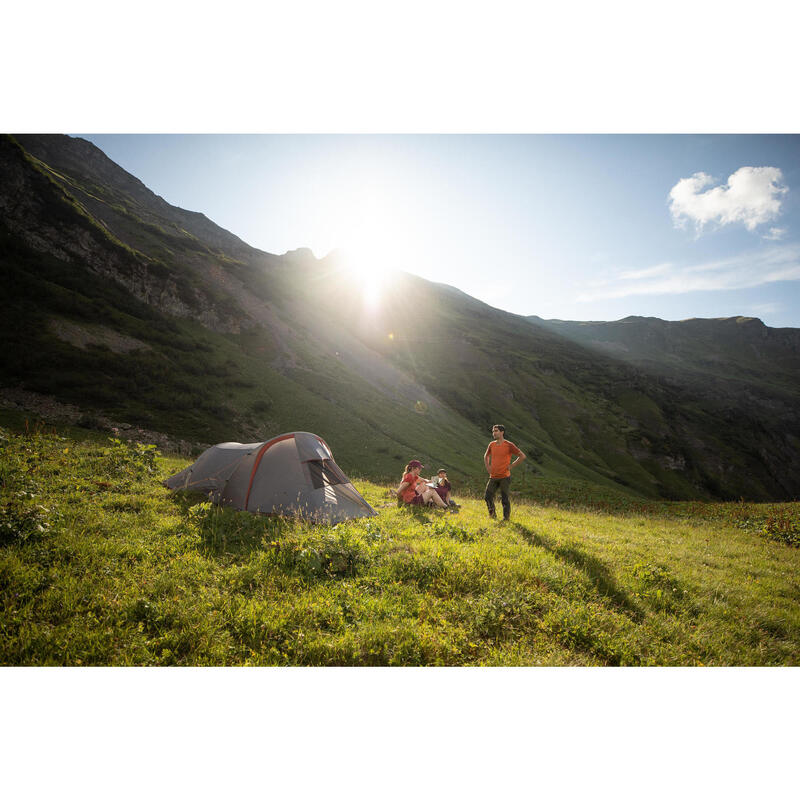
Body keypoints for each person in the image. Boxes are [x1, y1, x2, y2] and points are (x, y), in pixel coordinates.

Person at [484, 424, 526, 521]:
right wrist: (488, 467)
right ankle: (492, 516)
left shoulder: (509, 445)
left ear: (502, 432)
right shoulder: (491, 444)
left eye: (496, 431)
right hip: (493, 476)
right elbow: (486, 456)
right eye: (493, 431)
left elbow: (522, 456)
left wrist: (511, 466)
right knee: (487, 496)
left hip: (504, 477)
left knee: (505, 499)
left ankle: (506, 519)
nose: (494, 433)